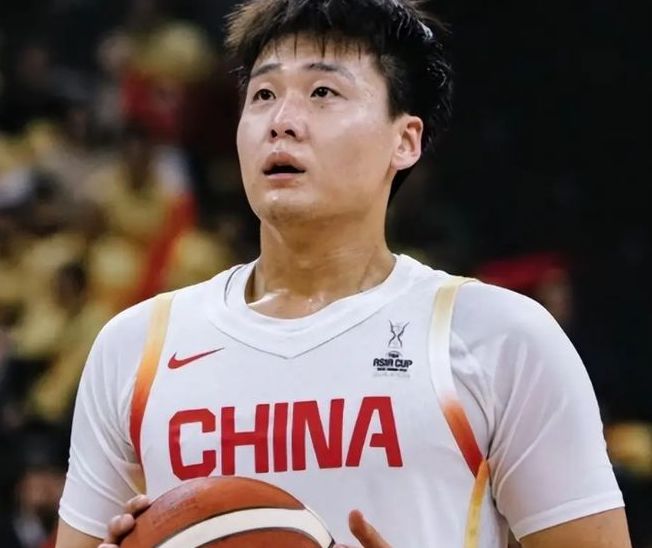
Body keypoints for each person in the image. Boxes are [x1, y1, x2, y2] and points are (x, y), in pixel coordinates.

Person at [55, 1, 631, 547]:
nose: (281, 121)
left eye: (323, 92)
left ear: (405, 140)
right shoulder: (135, 346)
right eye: (263, 95)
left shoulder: (498, 337)